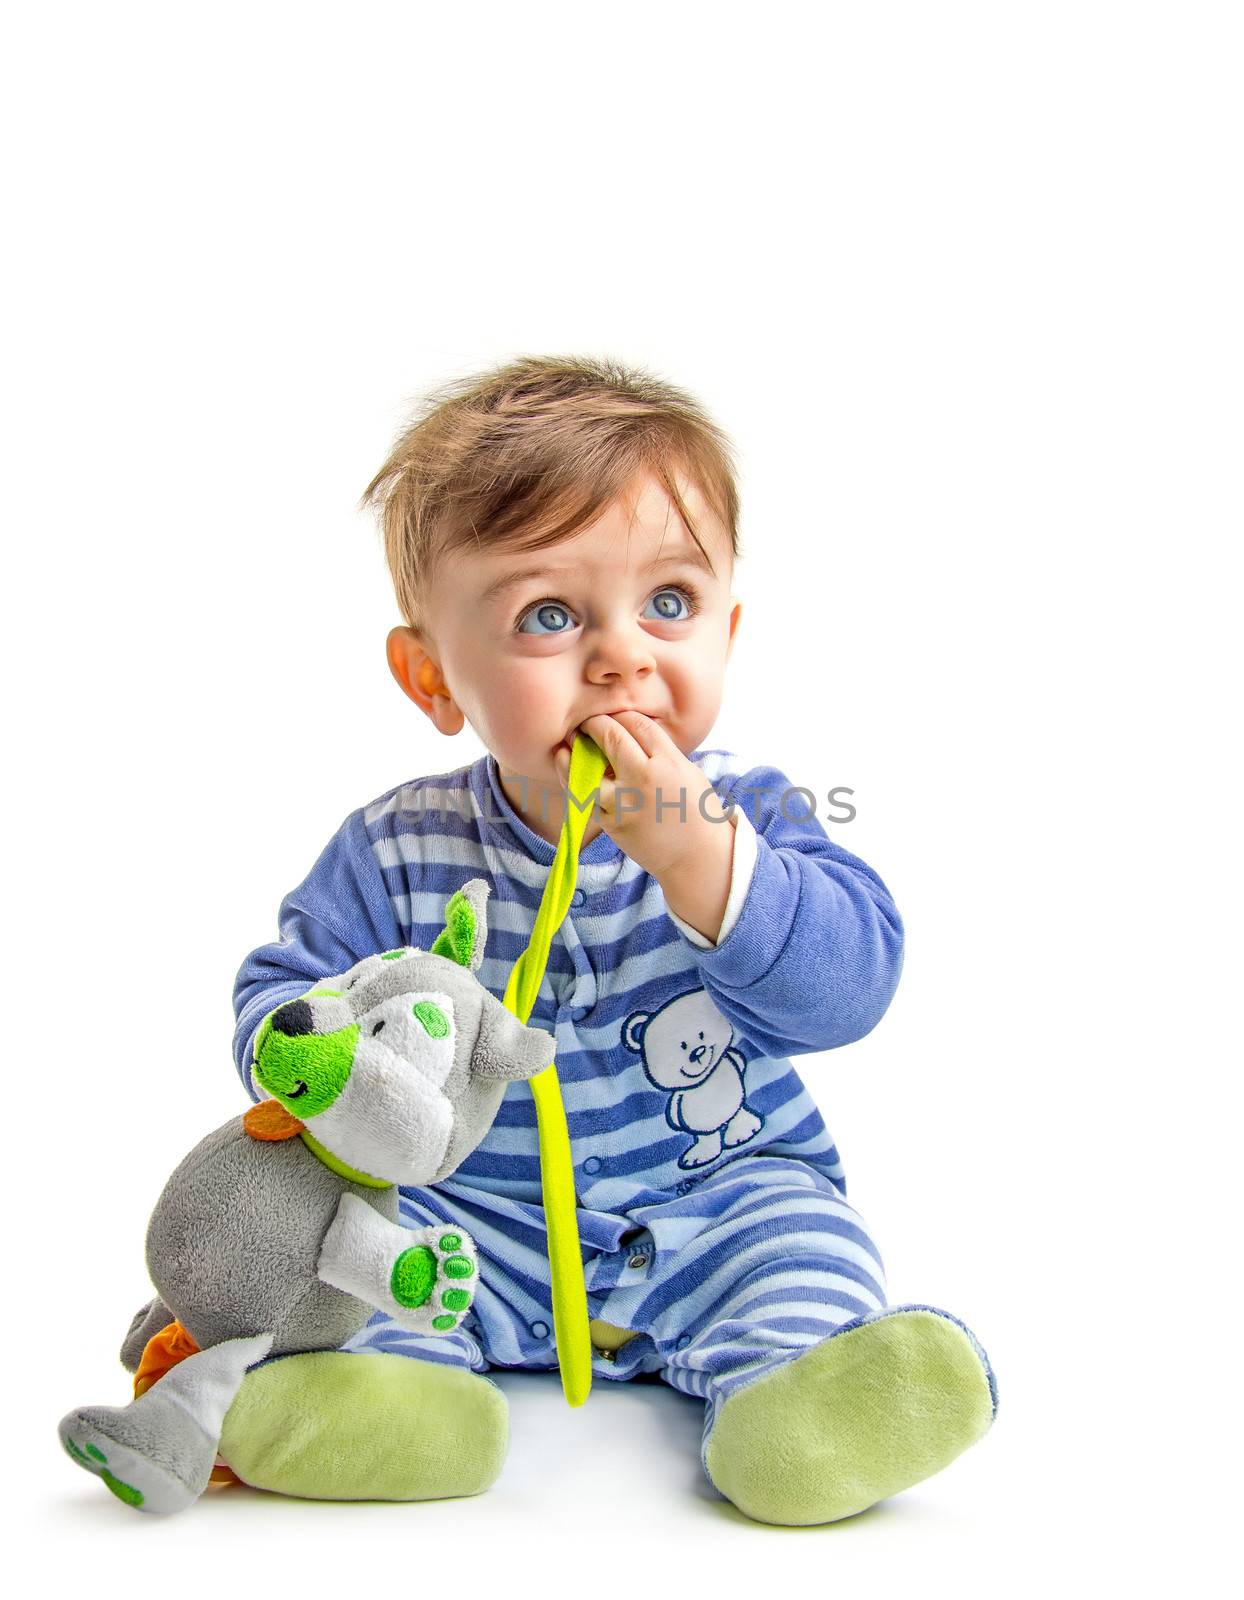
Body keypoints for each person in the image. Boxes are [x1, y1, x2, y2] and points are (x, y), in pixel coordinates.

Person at [219, 355, 997, 1524]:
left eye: (669, 604)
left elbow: (848, 990)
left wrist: (700, 860)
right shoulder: (391, 850)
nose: (623, 654)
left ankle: (804, 1407)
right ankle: (380, 1401)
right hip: (466, 1215)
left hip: (716, 1193)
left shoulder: (753, 820)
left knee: (802, 1246)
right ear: (432, 674)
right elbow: (280, 1000)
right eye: (549, 614)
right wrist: (340, 1063)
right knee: (360, 1255)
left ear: (727, 631)